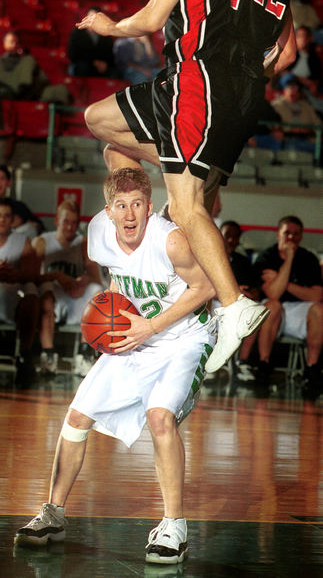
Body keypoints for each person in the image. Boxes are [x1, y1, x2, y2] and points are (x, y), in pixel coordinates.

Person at [78, 0, 271, 375]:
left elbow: (150, 19)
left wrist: (108, 25)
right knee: (101, 125)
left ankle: (233, 304)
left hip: (194, 85)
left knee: (186, 204)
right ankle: (169, 200)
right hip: (188, 84)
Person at [14, 167, 216, 563]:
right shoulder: (99, 234)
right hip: (133, 336)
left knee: (160, 417)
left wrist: (151, 327)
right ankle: (53, 512)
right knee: (76, 417)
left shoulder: (170, 240)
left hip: (183, 339)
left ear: (150, 206)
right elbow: (118, 281)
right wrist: (110, 324)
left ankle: (174, 524)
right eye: (120, 206)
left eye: (137, 205)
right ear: (108, 211)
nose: (129, 215)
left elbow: (206, 287)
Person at [251, 215, 323, 389]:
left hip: (299, 309)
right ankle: (263, 364)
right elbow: (274, 293)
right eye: (287, 233)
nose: (291, 237)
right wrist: (289, 259)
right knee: (272, 305)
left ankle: (312, 369)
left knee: (319, 310)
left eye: (296, 234)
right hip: (272, 311)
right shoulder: (267, 256)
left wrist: (283, 282)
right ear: (278, 234)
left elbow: (317, 295)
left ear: (301, 236)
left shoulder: (309, 258)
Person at [32, 200, 102, 376]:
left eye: (74, 223)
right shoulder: (42, 242)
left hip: (73, 297)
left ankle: (84, 355)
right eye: (66, 222)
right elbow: (30, 277)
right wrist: (57, 276)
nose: (70, 227)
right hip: (52, 296)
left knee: (96, 291)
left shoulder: (83, 243)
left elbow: (97, 278)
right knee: (46, 293)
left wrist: (83, 281)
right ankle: (48, 356)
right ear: (56, 221)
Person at [211, 220, 261, 383]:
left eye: (235, 237)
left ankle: (242, 363)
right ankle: (209, 362)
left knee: (255, 312)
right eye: (227, 236)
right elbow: (201, 287)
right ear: (220, 236)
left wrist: (247, 293)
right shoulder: (209, 257)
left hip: (238, 304)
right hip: (214, 302)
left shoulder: (243, 261)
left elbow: (256, 290)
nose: (231, 240)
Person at [0, 198, 39, 386]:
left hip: (13, 292)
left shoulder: (22, 241)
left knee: (31, 298)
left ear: (13, 219)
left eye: (6, 216)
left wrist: (14, 273)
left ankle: (25, 353)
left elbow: (31, 273)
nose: (2, 220)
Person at [0, 31, 69, 105]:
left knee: (61, 91)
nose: (14, 45)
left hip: (29, 92)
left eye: (16, 42)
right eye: (12, 41)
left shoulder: (27, 59)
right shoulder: (1, 61)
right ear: (4, 43)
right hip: (9, 91)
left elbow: (41, 79)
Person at [272, 77, 322, 153]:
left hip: (308, 139)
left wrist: (311, 130)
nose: (293, 91)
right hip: (287, 140)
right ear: (284, 90)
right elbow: (272, 125)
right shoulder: (277, 105)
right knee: (292, 147)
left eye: (296, 88)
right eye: (290, 88)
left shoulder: (306, 106)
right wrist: (288, 129)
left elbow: (318, 123)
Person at [67, 7, 117, 78]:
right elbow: (73, 54)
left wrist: (105, 64)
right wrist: (94, 62)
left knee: (114, 72)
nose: (92, 21)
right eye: (90, 17)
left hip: (101, 66)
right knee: (83, 68)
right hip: (83, 64)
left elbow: (110, 54)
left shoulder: (106, 34)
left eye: (95, 19)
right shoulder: (77, 33)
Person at [0, 164, 44, 236]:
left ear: (9, 182)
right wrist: (9, 225)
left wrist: (33, 226)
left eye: (2, 178)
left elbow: (38, 225)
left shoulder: (18, 206)